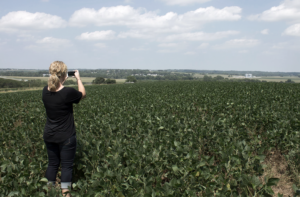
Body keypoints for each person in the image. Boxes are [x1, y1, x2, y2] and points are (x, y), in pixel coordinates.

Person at [42, 61, 86, 197]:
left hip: (49, 135)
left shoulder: (45, 91)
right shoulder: (68, 92)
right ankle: (65, 193)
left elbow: (55, 90)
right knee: (66, 166)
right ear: (64, 74)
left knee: (52, 164)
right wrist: (78, 78)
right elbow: (82, 94)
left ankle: (48, 191)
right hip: (66, 136)